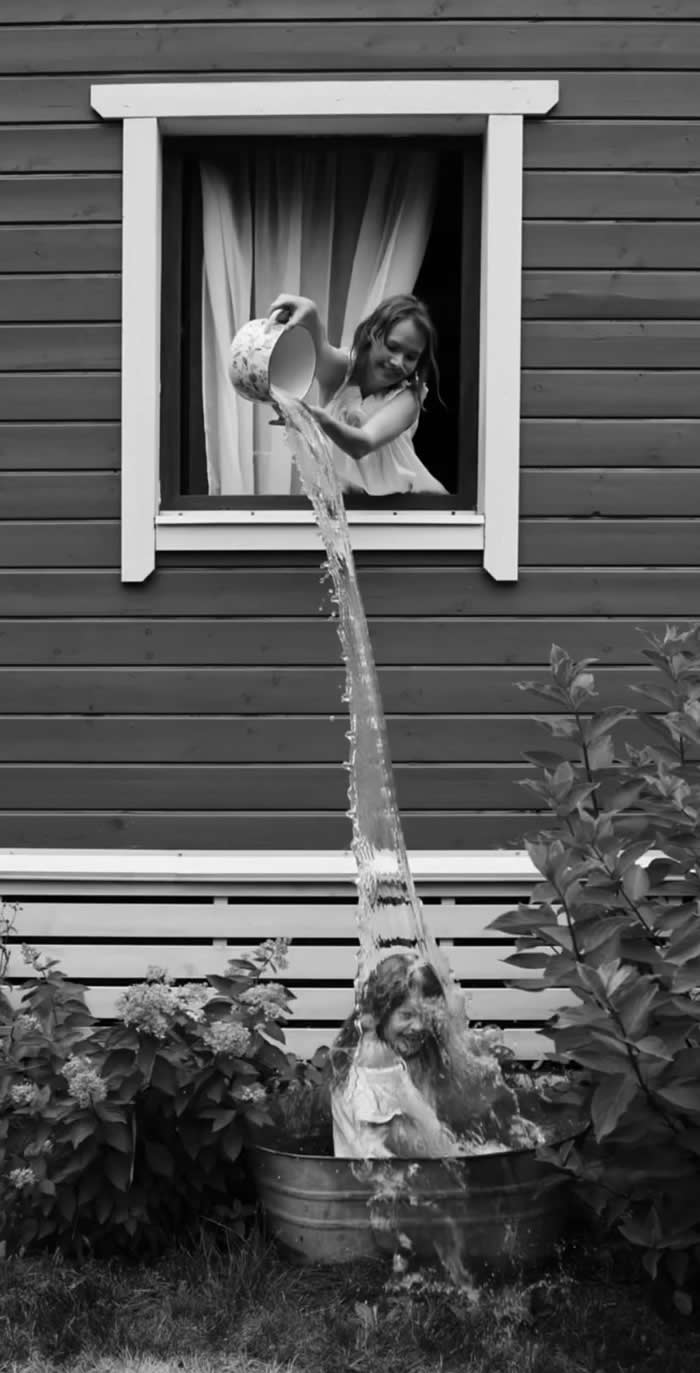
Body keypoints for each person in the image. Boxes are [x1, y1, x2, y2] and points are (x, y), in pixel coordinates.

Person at [329, 952, 522, 1159]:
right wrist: (475, 1155)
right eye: (407, 1015)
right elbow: (411, 1143)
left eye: (426, 1014)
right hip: (374, 1186)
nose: (419, 1026)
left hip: (392, 1181)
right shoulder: (375, 1061)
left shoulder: (407, 1056)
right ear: (381, 1013)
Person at [267, 292, 447, 497]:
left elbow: (363, 444)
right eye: (392, 347)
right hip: (337, 502)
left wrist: (320, 419)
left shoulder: (408, 398)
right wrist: (310, 312)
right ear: (372, 333)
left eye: (411, 357)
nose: (398, 362)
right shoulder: (341, 371)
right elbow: (320, 348)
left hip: (398, 509)